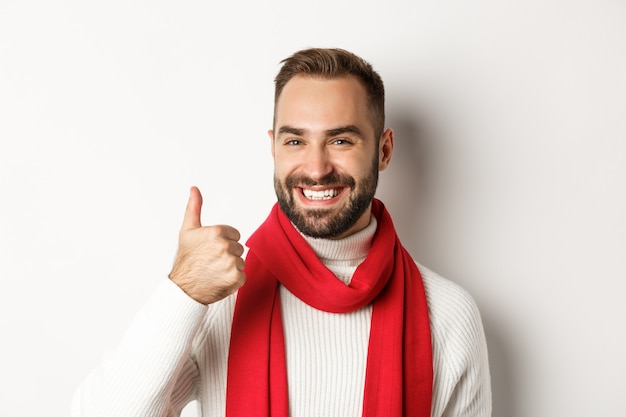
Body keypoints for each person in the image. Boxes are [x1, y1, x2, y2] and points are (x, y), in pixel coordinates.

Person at [71, 47, 491, 417]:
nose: (315, 167)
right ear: (273, 147)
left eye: (341, 140)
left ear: (383, 150)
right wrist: (182, 293)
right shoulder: (218, 300)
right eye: (295, 142)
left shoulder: (449, 317)